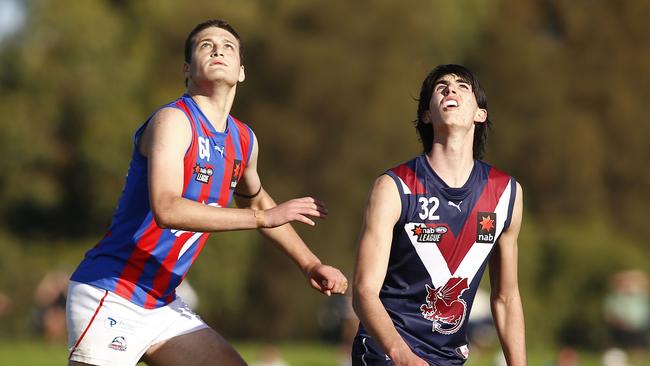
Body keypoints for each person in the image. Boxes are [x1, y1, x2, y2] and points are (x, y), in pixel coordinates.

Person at [66, 19, 348, 366]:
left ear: (241, 71)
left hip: (161, 303)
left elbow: (257, 199)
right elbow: (167, 208)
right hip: (112, 292)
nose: (218, 49)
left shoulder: (244, 140)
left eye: (228, 46)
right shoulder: (174, 121)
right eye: (206, 45)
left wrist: (310, 264)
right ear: (186, 69)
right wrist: (261, 218)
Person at [351, 64, 526, 365]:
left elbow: (506, 298)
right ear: (427, 115)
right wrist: (402, 356)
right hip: (386, 353)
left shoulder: (506, 194)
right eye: (441, 87)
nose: (451, 89)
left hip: (448, 357)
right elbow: (364, 291)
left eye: (462, 86)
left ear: (480, 114)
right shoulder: (394, 187)